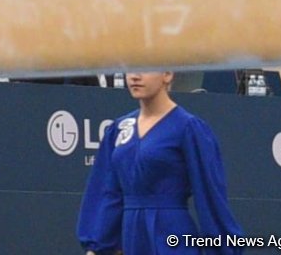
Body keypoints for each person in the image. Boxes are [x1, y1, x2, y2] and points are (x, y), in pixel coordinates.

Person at [77, 71, 243, 254]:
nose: (134, 76)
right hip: (132, 236)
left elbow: (210, 196)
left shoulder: (188, 128)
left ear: (167, 74)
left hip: (171, 234)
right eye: (130, 69)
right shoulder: (119, 129)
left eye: (144, 69)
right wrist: (97, 246)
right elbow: (109, 192)